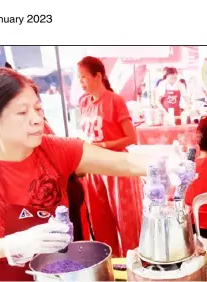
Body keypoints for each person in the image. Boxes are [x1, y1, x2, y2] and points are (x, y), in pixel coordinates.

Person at [0, 67, 187, 281]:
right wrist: (11, 245)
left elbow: (125, 163)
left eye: (38, 109)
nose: (36, 120)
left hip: (63, 275)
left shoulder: (53, 150)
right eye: (22, 112)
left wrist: (165, 163)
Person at [77, 56, 142, 256]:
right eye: (79, 78)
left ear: (98, 76)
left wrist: (103, 145)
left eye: (84, 77)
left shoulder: (115, 101)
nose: (81, 83)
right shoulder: (84, 102)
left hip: (117, 168)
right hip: (94, 169)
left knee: (127, 222)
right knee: (100, 221)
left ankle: (134, 263)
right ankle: (110, 266)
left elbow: (132, 137)